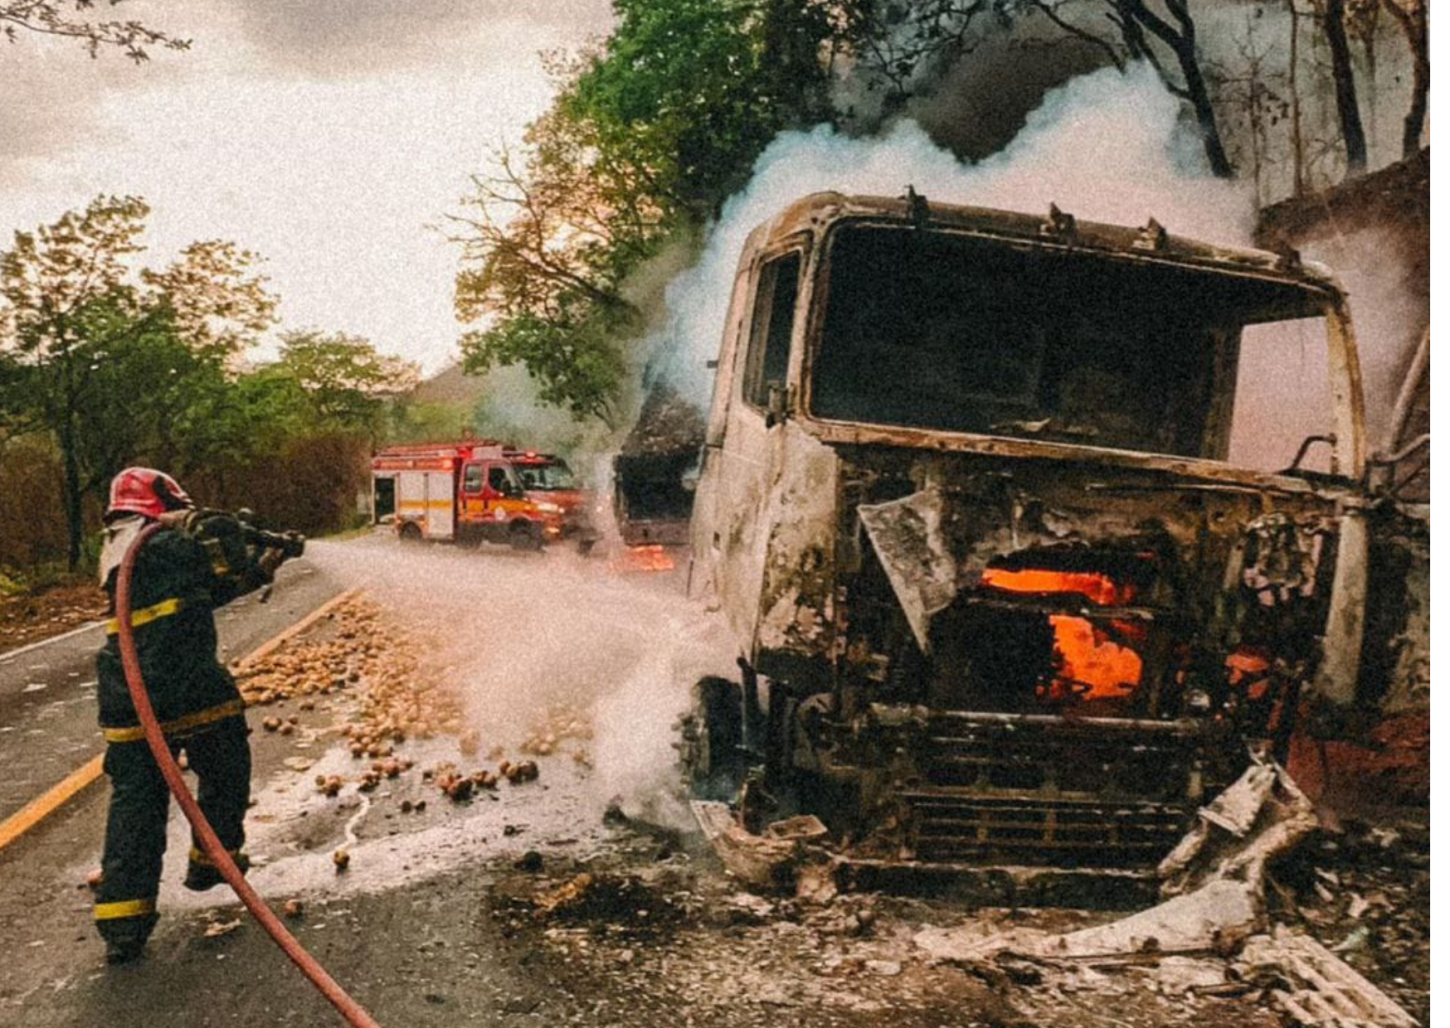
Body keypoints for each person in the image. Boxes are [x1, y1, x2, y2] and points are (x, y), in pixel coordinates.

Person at [92, 468, 288, 965]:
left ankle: (123, 924)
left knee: (136, 806)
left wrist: (264, 566)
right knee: (226, 763)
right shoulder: (158, 543)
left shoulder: (122, 547)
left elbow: (204, 589)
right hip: (184, 684)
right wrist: (221, 527)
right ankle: (212, 859)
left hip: (130, 697)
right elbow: (215, 560)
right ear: (162, 505)